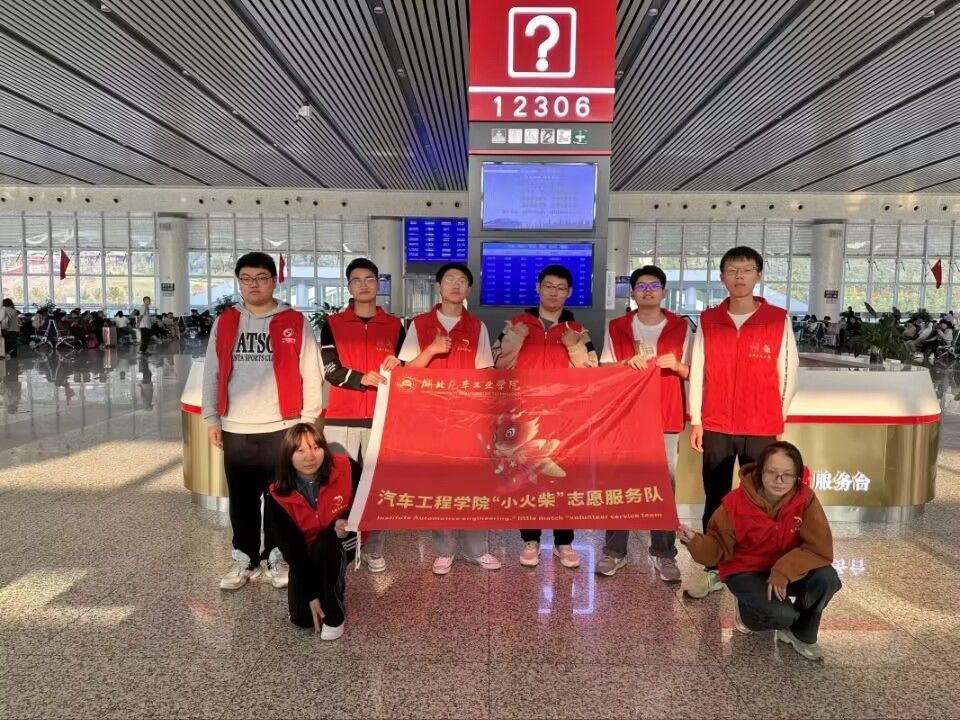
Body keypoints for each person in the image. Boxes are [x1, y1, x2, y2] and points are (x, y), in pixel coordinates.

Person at [201, 252, 324, 592]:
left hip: (282, 425)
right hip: (236, 426)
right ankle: (244, 557)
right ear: (239, 283)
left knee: (280, 497)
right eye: (246, 279)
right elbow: (212, 371)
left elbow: (311, 371)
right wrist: (212, 417)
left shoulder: (294, 320)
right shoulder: (226, 321)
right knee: (241, 499)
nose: (254, 285)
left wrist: (307, 421)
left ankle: (276, 555)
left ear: (274, 281)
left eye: (261, 278)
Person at [687, 246, 799, 598]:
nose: (739, 276)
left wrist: (777, 416)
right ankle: (713, 568)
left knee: (763, 498)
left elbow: (788, 370)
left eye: (747, 269)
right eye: (732, 270)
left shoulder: (777, 319)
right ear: (723, 277)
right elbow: (698, 371)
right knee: (716, 498)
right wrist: (696, 419)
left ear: (758, 275)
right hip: (716, 424)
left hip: (760, 425)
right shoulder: (709, 320)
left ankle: (758, 568)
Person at [678, 441, 841, 661]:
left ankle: (801, 633)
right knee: (780, 615)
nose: (779, 480)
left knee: (826, 578)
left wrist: (784, 570)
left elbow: (820, 549)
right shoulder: (734, 503)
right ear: (759, 471)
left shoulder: (805, 499)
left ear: (797, 476)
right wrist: (695, 541)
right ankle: (749, 609)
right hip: (746, 571)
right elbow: (717, 548)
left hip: (785, 571)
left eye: (788, 474)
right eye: (772, 472)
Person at [398, 262, 502, 576]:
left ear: (468, 288)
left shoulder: (477, 327)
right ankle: (444, 551)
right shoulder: (419, 325)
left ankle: (476, 550)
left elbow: (486, 373)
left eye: (462, 281)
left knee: (474, 485)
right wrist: (431, 350)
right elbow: (406, 373)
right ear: (438, 286)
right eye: (450, 279)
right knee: (438, 485)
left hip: (468, 421)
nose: (456, 285)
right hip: (431, 420)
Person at [492, 264, 598, 570]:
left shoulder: (578, 331)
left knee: (564, 479)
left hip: (565, 419)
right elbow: (498, 366)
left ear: (569, 293)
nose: (554, 292)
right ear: (538, 288)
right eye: (548, 286)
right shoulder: (516, 324)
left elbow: (591, 374)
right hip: (524, 416)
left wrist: (574, 348)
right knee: (528, 478)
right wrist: (515, 342)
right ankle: (531, 540)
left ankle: (564, 542)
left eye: (560, 288)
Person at [595, 265, 691, 581]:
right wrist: (624, 364)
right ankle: (614, 551)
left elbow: (696, 372)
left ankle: (664, 554)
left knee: (664, 486)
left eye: (653, 286)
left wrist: (678, 366)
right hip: (626, 416)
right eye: (641, 286)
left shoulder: (681, 327)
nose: (647, 291)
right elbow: (604, 370)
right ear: (633, 293)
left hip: (666, 416)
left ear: (664, 292)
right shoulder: (617, 327)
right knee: (619, 484)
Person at [320, 257, 403, 573]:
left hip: (381, 418)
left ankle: (374, 548)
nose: (364, 285)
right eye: (356, 280)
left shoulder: (395, 325)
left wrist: (401, 365)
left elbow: (406, 368)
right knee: (336, 485)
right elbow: (330, 369)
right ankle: (335, 545)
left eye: (370, 279)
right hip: (340, 418)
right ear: (348, 286)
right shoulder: (333, 324)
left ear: (378, 284)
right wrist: (361, 378)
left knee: (375, 487)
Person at [265, 423, 360, 641]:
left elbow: (369, 499)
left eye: (316, 448)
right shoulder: (277, 493)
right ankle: (326, 588)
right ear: (288, 455)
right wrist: (312, 596)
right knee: (302, 618)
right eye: (300, 450)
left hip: (347, 537)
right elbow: (292, 550)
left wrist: (348, 520)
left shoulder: (346, 467)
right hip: (307, 549)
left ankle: (335, 615)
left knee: (327, 543)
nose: (310, 456)